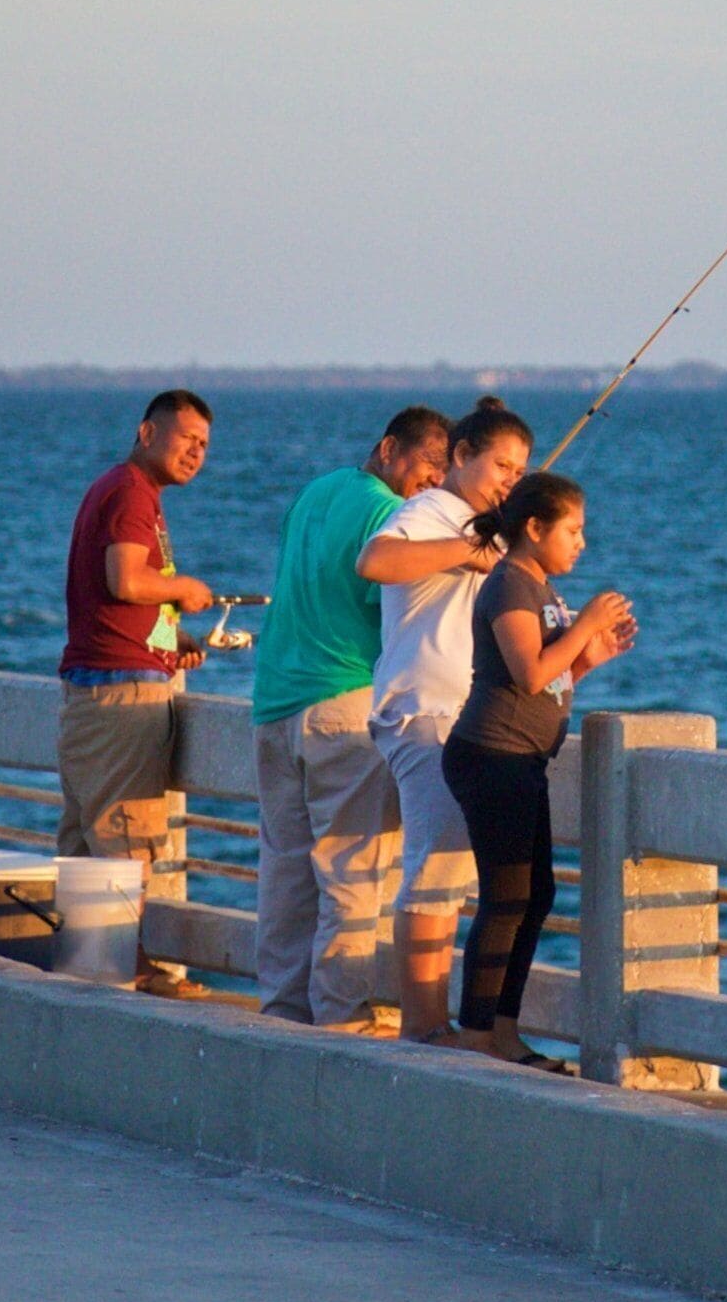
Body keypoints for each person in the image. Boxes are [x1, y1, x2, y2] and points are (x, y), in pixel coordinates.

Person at [249, 404, 454, 1030]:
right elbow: (391, 604)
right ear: (390, 449)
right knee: (351, 876)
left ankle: (283, 1015)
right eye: (426, 466)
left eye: (444, 473)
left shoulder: (316, 492)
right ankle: (342, 1020)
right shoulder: (389, 516)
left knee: (286, 874)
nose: (433, 482)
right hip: (344, 704)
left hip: (275, 706)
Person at [440, 474, 633, 1067]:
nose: (582, 542)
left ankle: (501, 1028)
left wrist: (589, 657)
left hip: (522, 759)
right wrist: (584, 625)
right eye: (573, 530)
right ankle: (477, 1037)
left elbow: (546, 681)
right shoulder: (509, 586)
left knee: (536, 893)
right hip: (492, 755)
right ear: (534, 529)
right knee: (507, 896)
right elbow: (526, 673)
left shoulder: (538, 586)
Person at [357, 397, 526, 1040]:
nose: (509, 479)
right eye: (499, 465)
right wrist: (465, 550)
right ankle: (423, 1027)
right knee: (432, 872)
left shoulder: (484, 525)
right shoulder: (432, 511)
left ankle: (439, 1022)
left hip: (461, 718)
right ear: (460, 456)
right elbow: (374, 561)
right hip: (423, 713)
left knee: (450, 871)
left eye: (519, 471)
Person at [58, 389, 221, 998]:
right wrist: (184, 588)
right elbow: (125, 579)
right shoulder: (130, 492)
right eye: (186, 439)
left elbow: (119, 597)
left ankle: (88, 969)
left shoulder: (121, 490)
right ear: (147, 432)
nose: (195, 453)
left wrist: (171, 638)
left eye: (204, 445)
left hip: (98, 691)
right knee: (126, 838)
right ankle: (132, 971)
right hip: (121, 697)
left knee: (85, 841)